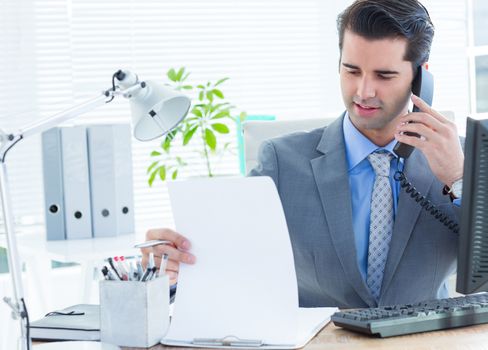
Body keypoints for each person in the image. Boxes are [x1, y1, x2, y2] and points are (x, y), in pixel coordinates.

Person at [142, 0, 464, 308]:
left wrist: (458, 178)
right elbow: (224, 260)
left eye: (384, 75)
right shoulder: (282, 163)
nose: (364, 91)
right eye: (351, 71)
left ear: (421, 77)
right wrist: (172, 271)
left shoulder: (456, 160)